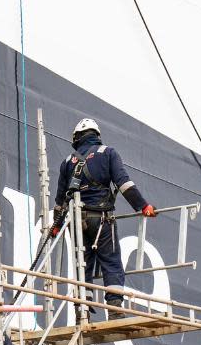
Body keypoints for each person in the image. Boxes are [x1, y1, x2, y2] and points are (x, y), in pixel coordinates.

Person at [52, 118, 157, 317]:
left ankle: (82, 313)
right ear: (96, 135)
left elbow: (60, 201)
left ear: (77, 138)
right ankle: (115, 310)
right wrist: (143, 206)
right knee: (111, 261)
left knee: (83, 266)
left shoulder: (67, 162)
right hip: (101, 219)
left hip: (76, 222)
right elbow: (124, 184)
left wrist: (56, 225)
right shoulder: (108, 153)